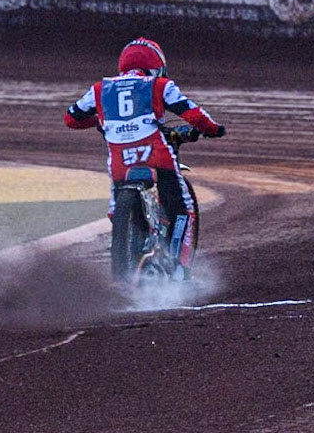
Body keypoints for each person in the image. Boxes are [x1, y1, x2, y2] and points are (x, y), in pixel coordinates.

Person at [63, 38, 226, 281]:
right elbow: (191, 112)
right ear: (156, 66)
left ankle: (123, 244)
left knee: (116, 207)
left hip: (120, 162)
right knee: (184, 208)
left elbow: (71, 119)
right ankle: (180, 270)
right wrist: (213, 129)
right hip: (156, 154)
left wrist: (103, 122)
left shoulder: (99, 89)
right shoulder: (160, 85)